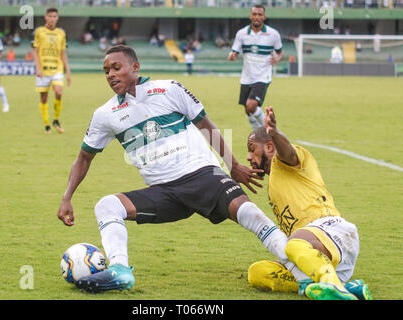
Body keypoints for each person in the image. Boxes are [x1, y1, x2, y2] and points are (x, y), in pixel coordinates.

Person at [56, 45, 306, 293]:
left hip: (203, 176)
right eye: (106, 71)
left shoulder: (169, 89)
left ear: (135, 66)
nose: (110, 74)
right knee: (106, 205)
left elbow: (206, 125)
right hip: (165, 193)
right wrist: (67, 197)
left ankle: (306, 274)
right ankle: (120, 271)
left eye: (116, 67)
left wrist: (233, 165)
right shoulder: (105, 114)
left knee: (250, 213)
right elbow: (84, 158)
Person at [245, 106, 372, 300]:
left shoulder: (286, 161)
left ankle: (332, 287)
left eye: (252, 150)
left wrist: (275, 133)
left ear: (269, 147)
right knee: (258, 272)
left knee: (294, 244)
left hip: (333, 231)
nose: (248, 157)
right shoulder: (274, 182)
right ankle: (344, 287)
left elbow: (288, 153)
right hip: (314, 255)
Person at [228, 5, 283, 130]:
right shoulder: (241, 34)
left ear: (264, 17)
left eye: (260, 14)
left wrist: (277, 59)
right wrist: (232, 56)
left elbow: (280, 53)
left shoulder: (273, 34)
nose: (257, 17)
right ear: (250, 16)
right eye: (255, 14)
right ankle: (259, 134)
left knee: (251, 105)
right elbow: (234, 52)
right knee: (248, 110)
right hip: (246, 77)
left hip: (263, 76)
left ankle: (269, 130)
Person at [32, 7, 71, 134]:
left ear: (57, 18)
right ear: (45, 17)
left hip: (57, 69)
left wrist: (68, 71)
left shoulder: (61, 33)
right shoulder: (39, 31)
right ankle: (46, 124)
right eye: (50, 16)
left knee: (59, 92)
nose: (52, 19)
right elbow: (35, 51)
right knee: (43, 98)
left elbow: (63, 52)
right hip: (43, 70)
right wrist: (37, 68)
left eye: (55, 16)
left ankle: (56, 119)